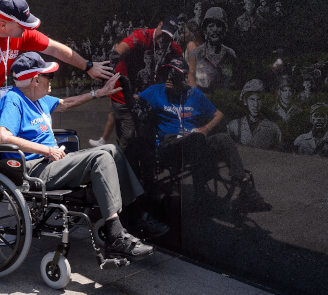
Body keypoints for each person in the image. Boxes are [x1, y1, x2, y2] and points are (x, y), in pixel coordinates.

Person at [0, 0, 113, 236]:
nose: (28, 30)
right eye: (23, 25)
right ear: (3, 24)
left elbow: (55, 48)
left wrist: (88, 67)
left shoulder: (17, 32)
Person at [0, 52, 154, 260]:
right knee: (100, 158)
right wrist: (47, 150)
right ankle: (115, 237)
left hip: (52, 163)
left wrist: (100, 93)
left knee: (112, 150)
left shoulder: (38, 99)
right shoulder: (13, 100)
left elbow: (66, 103)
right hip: (33, 169)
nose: (52, 80)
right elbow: (2, 137)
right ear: (35, 80)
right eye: (48, 76)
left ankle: (134, 216)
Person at [133, 58, 271, 213]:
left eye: (174, 74)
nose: (169, 77)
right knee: (196, 139)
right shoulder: (155, 91)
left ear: (183, 77)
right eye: (167, 73)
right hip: (171, 144)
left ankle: (245, 188)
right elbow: (132, 101)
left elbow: (219, 115)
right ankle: (201, 191)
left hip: (196, 141)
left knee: (223, 138)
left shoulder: (194, 94)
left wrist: (206, 128)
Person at [108, 16, 182, 161]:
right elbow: (119, 50)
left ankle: (149, 168)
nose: (163, 39)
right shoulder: (141, 36)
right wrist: (114, 59)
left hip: (149, 94)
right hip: (126, 87)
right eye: (163, 34)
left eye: (168, 38)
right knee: (127, 135)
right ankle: (123, 170)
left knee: (150, 134)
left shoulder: (172, 48)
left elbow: (181, 66)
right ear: (159, 24)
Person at [188, 6, 237, 93]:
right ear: (205, 30)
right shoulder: (195, 55)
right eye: (211, 26)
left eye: (219, 26)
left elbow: (233, 84)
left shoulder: (230, 54)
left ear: (224, 30)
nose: (215, 30)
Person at [227, 79, 283, 150]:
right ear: (245, 101)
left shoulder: (273, 128)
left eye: (259, 100)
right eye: (252, 99)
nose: (255, 105)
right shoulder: (234, 126)